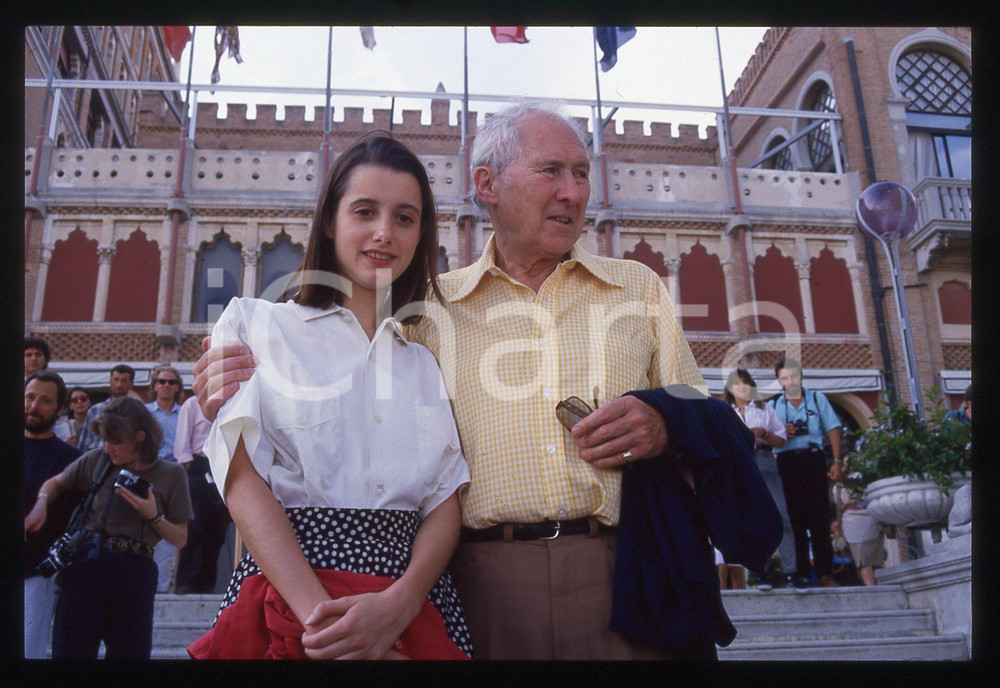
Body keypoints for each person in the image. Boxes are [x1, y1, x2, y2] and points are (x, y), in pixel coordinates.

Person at [192, 105, 740, 660]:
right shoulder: (428, 317)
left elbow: (702, 413)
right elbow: (256, 459)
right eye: (551, 171)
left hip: (623, 576)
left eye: (581, 173)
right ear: (487, 184)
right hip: (479, 587)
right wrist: (221, 396)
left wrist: (666, 422)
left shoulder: (637, 289)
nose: (573, 192)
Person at [187, 132, 472, 660]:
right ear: (329, 221)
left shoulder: (422, 360)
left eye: (404, 218)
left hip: (408, 608)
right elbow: (242, 480)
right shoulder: (256, 326)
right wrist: (329, 628)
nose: (384, 233)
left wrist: (403, 602)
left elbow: (444, 500)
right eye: (365, 212)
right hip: (291, 603)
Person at [24, 397, 193, 659]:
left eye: (115, 441)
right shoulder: (99, 460)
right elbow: (55, 483)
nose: (108, 448)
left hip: (136, 571)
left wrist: (153, 516)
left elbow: (180, 538)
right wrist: (42, 503)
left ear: (139, 437)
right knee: (71, 653)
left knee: (130, 656)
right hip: (88, 564)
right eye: (104, 440)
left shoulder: (171, 474)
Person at [768, 357, 844, 589]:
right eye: (784, 378)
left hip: (813, 459)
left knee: (820, 517)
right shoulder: (774, 405)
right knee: (794, 519)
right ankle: (800, 574)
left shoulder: (817, 399)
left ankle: (825, 573)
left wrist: (837, 460)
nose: (789, 381)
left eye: (793, 376)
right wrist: (782, 433)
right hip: (786, 462)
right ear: (779, 381)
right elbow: (767, 439)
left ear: (800, 376)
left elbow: (832, 428)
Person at [23, 371, 81, 658]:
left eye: (45, 401)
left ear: (59, 410)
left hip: (36, 574)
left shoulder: (71, 461)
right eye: (29, 397)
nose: (34, 406)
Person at [723, 368, 793, 589]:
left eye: (745, 383)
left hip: (764, 458)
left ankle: (791, 572)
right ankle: (761, 572)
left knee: (781, 515)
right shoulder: (726, 412)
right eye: (737, 384)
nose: (741, 388)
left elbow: (781, 440)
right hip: (740, 462)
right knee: (752, 518)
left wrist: (763, 433)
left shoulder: (765, 408)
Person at [174, 394, 231, 594]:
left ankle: (207, 582)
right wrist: (191, 468)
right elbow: (182, 444)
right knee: (195, 525)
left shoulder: (230, 401)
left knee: (217, 527)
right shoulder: (191, 404)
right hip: (198, 467)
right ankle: (186, 581)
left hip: (222, 466)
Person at [146, 365, 184, 592]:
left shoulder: (185, 413)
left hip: (176, 476)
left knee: (168, 532)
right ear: (154, 386)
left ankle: (161, 589)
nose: (166, 386)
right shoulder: (145, 413)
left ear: (178, 387)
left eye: (171, 382)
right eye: (162, 381)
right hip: (150, 473)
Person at [77, 364, 136, 452]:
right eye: (116, 380)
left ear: (131, 385)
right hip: (97, 456)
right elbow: (84, 444)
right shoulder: (95, 410)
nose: (119, 385)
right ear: (110, 381)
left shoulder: (135, 411)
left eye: (124, 381)